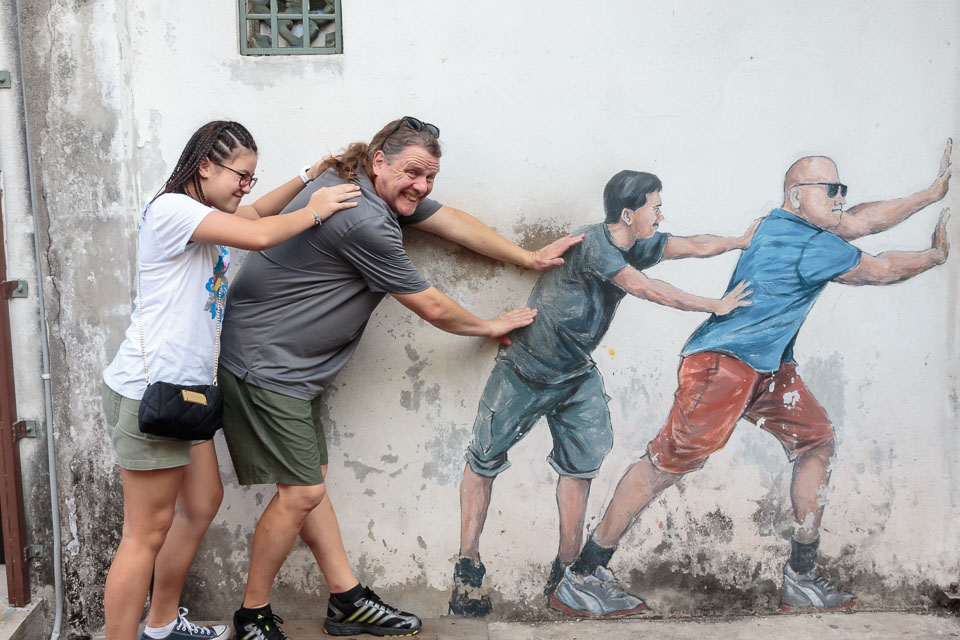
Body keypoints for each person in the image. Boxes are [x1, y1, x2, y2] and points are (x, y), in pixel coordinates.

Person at [549, 141, 953, 618]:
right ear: (797, 195)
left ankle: (801, 577)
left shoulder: (781, 223)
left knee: (816, 442)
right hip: (724, 367)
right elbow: (880, 269)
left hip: (768, 370)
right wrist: (934, 256)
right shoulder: (808, 243)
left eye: (842, 189)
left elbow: (861, 221)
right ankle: (584, 575)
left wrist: (930, 194)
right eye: (830, 190)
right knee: (665, 464)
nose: (841, 198)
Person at [217, 116, 583, 638]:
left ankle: (346, 601)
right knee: (300, 493)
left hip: (291, 368)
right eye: (413, 172)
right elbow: (431, 306)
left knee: (308, 486)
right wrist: (487, 326)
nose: (422, 186)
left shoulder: (359, 186)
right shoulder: (361, 217)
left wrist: (528, 257)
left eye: (430, 176)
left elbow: (449, 221)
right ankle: (252, 616)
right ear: (378, 161)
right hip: (267, 366)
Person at [449, 170, 759, 617]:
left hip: (576, 373)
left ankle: (566, 573)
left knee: (581, 466)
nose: (660, 215)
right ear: (629, 214)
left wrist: (739, 242)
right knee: (484, 459)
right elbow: (646, 288)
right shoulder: (594, 243)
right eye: (655, 207)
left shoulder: (638, 242)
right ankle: (468, 567)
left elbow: (690, 244)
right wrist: (715, 305)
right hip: (525, 367)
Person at [101, 120, 361, 640]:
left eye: (251, 177)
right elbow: (261, 235)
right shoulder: (173, 210)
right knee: (144, 534)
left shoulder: (205, 212)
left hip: (189, 394)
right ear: (205, 166)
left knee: (201, 504)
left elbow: (259, 214)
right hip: (151, 395)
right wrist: (317, 208)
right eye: (240, 176)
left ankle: (161, 625)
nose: (246, 187)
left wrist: (308, 175)